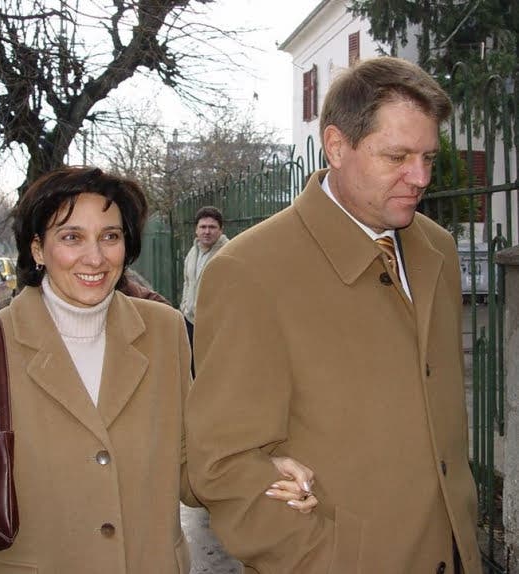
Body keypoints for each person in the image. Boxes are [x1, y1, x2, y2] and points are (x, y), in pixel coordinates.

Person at [0, 166, 316, 574]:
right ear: (37, 249)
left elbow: (190, 464)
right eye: (72, 237)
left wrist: (260, 474)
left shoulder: (164, 331)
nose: (95, 257)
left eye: (110, 236)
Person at [186, 57, 482, 574]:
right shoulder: (249, 271)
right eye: (397, 156)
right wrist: (328, 559)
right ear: (337, 146)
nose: (421, 178)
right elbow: (224, 465)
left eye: (428, 157)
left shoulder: (437, 248)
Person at [180, 206, 228, 374]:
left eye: (212, 227)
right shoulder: (193, 252)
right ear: (196, 230)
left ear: (221, 230)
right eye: (203, 227)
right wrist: (184, 306)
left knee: (212, 372)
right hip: (191, 321)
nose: (207, 231)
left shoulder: (228, 253)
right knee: (191, 370)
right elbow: (187, 282)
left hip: (214, 326)